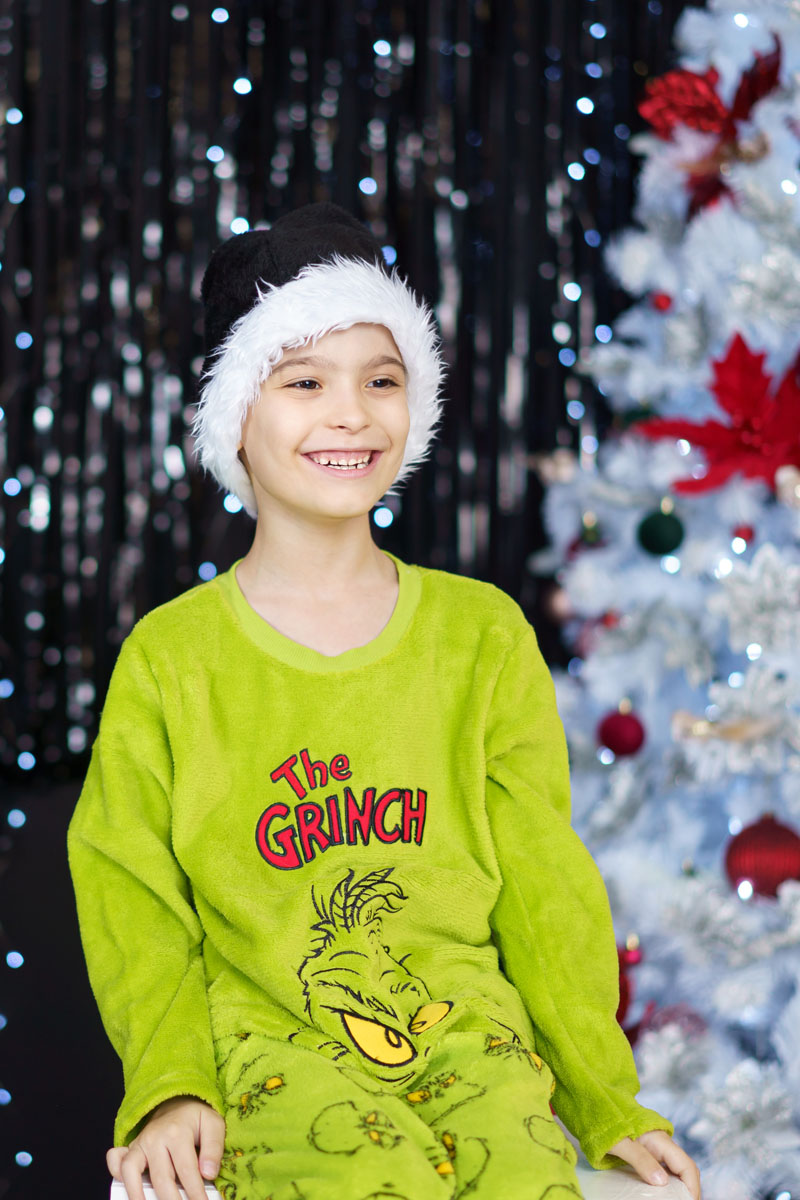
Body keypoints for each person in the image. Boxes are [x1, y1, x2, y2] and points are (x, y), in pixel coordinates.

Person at [68, 203, 701, 1200]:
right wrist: (170, 1086)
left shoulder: (481, 635)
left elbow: (545, 889)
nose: (351, 414)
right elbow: (131, 901)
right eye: (304, 382)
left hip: (470, 1035)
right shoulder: (172, 658)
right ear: (236, 415)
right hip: (269, 1041)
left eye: (380, 379)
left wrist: (601, 1098)